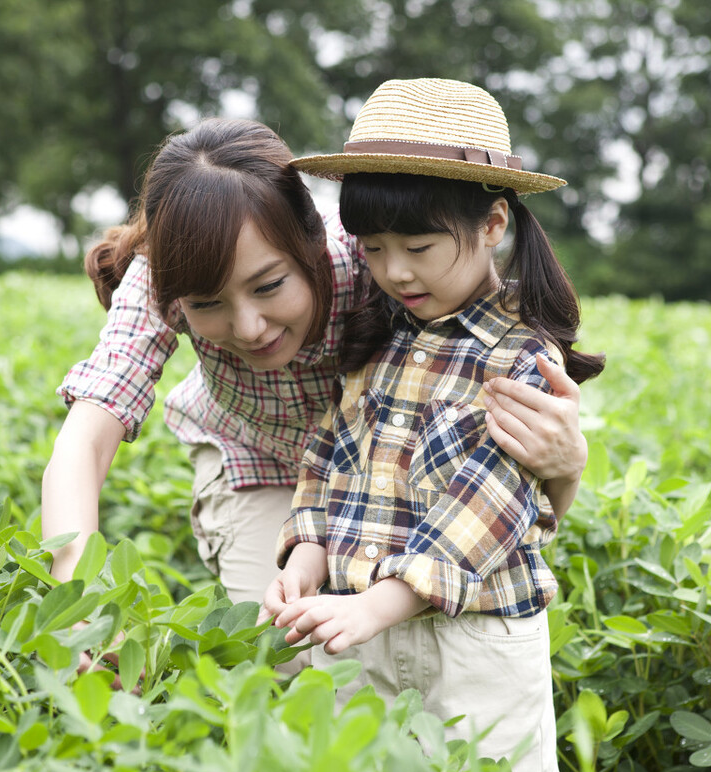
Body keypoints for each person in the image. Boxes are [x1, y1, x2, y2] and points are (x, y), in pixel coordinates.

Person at [40, 118, 590, 659]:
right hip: (253, 459)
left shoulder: (379, 261)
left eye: (270, 286)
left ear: (315, 243)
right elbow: (84, 443)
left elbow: (499, 491)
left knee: (412, 630)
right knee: (283, 651)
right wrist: (78, 605)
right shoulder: (161, 278)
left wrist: (566, 465)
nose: (250, 326)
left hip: (379, 468)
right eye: (209, 304)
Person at [265, 78, 605, 772]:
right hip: (363, 632)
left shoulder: (519, 358)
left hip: (474, 645)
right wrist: (305, 553)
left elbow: (488, 505)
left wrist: (375, 606)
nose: (394, 271)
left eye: (419, 246)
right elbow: (328, 455)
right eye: (375, 247)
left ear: (493, 225)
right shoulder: (378, 340)